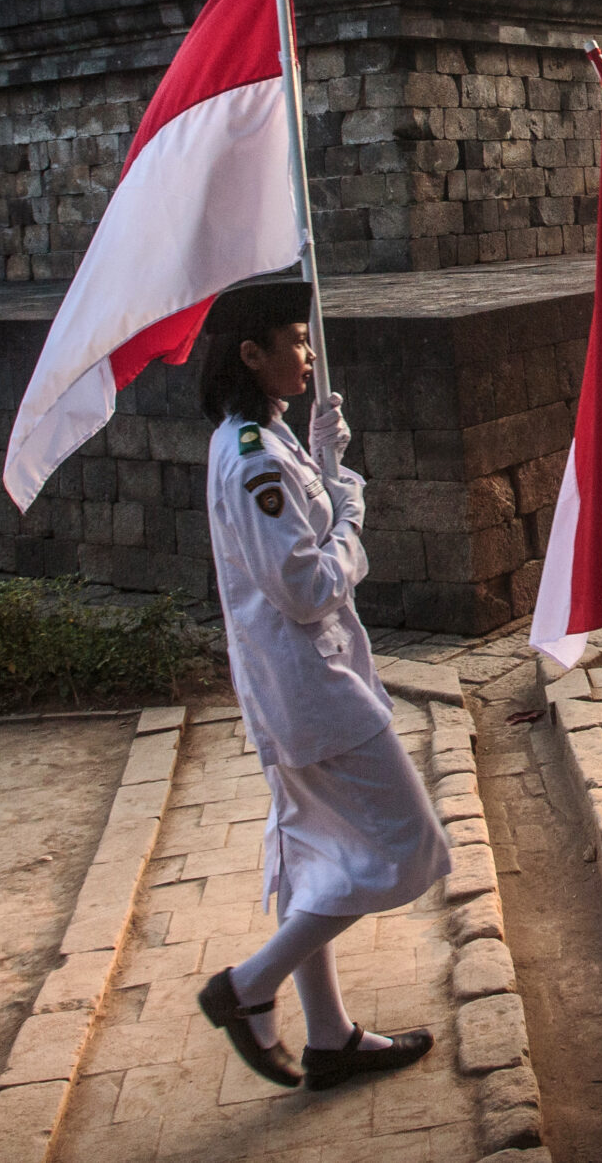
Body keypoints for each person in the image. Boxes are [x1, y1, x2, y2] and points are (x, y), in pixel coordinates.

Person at [193, 280, 447, 1091]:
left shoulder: (256, 439)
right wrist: (351, 519)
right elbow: (303, 584)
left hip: (298, 686)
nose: (308, 354)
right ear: (250, 354)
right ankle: (248, 985)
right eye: (295, 341)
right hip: (316, 691)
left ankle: (329, 1036)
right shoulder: (254, 460)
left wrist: (323, 460)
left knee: (313, 859)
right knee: (409, 847)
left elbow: (290, 516)